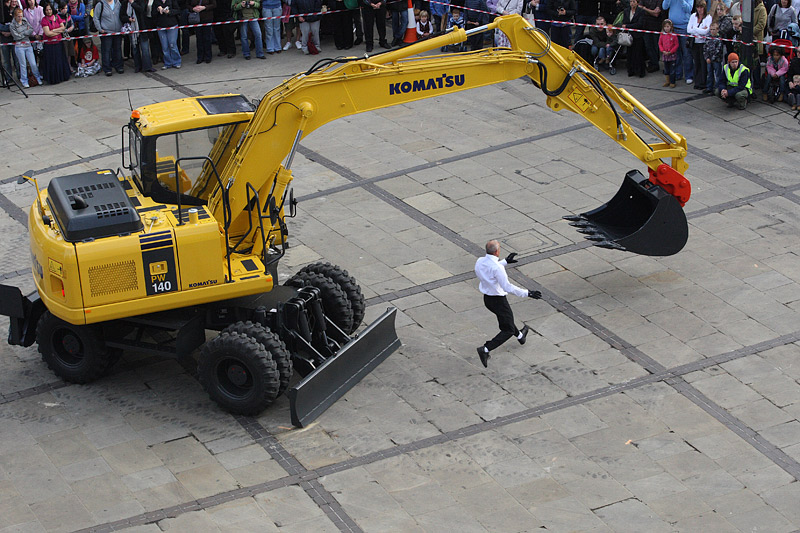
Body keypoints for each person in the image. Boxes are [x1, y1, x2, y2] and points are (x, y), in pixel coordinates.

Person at [474, 240, 541, 367]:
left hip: (488, 299)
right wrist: (527, 293)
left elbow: (491, 269)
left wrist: (505, 262)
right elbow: (507, 287)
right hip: (498, 301)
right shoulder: (497, 268)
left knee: (507, 321)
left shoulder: (480, 261)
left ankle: (521, 336)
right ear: (497, 251)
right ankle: (486, 349)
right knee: (508, 329)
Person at [661, 0, 693, 83]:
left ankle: (688, 75)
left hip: (684, 28)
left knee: (686, 53)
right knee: (676, 53)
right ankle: (678, 74)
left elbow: (689, 9)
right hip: (673, 28)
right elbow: (664, 7)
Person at [9, 6, 42, 86]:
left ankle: (37, 77)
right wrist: (25, 32)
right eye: (18, 16)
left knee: (33, 63)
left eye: (21, 16)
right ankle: (24, 80)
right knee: (23, 64)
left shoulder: (25, 20)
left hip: (28, 44)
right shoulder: (12, 25)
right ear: (15, 16)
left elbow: (31, 29)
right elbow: (16, 36)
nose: (20, 18)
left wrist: (22, 33)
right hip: (19, 46)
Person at [41, 1, 72, 83]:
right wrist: (58, 31)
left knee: (60, 60)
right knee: (52, 62)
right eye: (47, 10)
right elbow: (47, 33)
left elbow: (63, 27)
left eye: (50, 9)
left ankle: (62, 76)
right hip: (49, 45)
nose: (48, 11)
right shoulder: (44, 20)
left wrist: (54, 30)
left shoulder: (57, 17)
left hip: (58, 43)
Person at [121, 0, 155, 72]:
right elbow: (121, 16)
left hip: (142, 28)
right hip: (132, 30)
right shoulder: (124, 3)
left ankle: (147, 66)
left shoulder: (140, 1)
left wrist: (133, 3)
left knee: (145, 49)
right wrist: (128, 19)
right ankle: (138, 66)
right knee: (135, 49)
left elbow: (141, 10)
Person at [93, 0, 125, 75]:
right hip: (106, 32)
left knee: (118, 49)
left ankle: (119, 66)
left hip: (117, 31)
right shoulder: (100, 4)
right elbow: (96, 18)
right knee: (106, 50)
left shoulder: (118, 3)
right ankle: (107, 68)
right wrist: (100, 29)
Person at [687, 0, 711, 88]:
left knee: (703, 63)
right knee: (696, 62)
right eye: (698, 7)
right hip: (695, 43)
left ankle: (703, 82)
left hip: (703, 43)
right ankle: (697, 81)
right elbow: (688, 30)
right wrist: (699, 30)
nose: (699, 9)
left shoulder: (708, 17)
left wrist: (695, 29)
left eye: (701, 7)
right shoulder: (693, 16)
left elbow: (706, 31)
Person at [623, 0, 647, 77]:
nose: (632, 3)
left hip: (638, 36)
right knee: (630, 53)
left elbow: (640, 24)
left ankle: (640, 71)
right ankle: (631, 70)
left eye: (633, 1)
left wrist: (628, 26)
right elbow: (624, 21)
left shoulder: (641, 11)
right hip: (629, 36)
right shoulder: (626, 11)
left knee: (639, 54)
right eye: (631, 2)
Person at [154, 0, 182, 67]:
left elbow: (178, 10)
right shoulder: (156, 1)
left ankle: (177, 61)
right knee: (164, 46)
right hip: (161, 26)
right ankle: (168, 62)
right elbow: (152, 14)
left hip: (172, 25)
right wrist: (157, 10)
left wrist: (169, 12)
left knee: (172, 44)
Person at [703, 21, 723, 92]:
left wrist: (712, 58)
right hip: (709, 60)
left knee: (717, 75)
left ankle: (717, 88)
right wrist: (707, 57)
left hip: (716, 60)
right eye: (711, 29)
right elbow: (705, 48)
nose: (712, 31)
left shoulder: (719, 39)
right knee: (709, 74)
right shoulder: (708, 38)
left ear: (717, 30)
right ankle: (709, 87)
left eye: (714, 29)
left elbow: (718, 50)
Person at [56, 1, 76, 71]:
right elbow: (57, 27)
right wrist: (65, 30)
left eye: (66, 8)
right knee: (65, 52)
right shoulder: (57, 17)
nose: (65, 10)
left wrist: (72, 28)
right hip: (62, 37)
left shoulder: (68, 15)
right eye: (63, 8)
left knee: (70, 52)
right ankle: (65, 66)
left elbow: (72, 23)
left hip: (69, 36)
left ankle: (69, 65)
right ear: (60, 9)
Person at [659, 17, 678, 86]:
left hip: (672, 55)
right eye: (665, 27)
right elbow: (660, 43)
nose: (666, 28)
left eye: (668, 26)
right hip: (665, 55)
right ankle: (667, 81)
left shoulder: (674, 35)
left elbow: (676, 45)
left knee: (672, 69)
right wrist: (662, 50)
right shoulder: (662, 35)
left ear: (671, 27)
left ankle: (672, 82)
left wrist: (671, 51)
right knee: (666, 69)